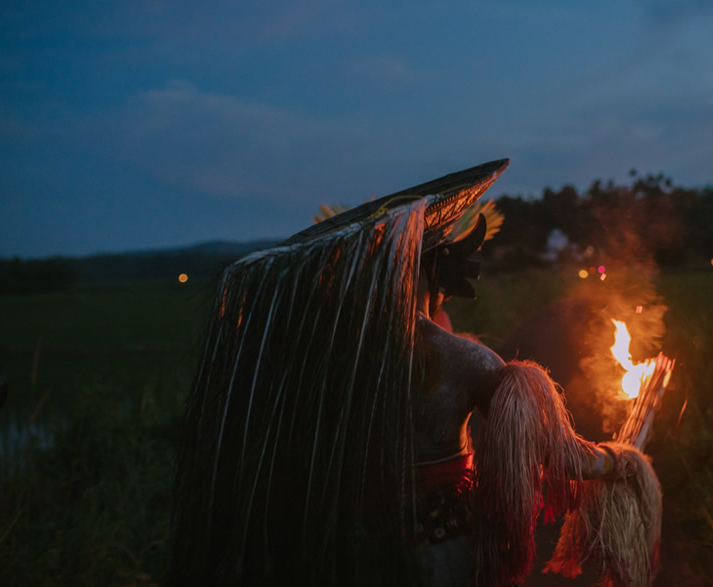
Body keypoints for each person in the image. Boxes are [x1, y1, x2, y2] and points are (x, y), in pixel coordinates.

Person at [170, 160, 659, 586]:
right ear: (431, 267)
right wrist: (620, 461)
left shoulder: (321, 360)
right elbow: (558, 454)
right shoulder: (464, 359)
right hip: (439, 554)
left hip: (343, 554)